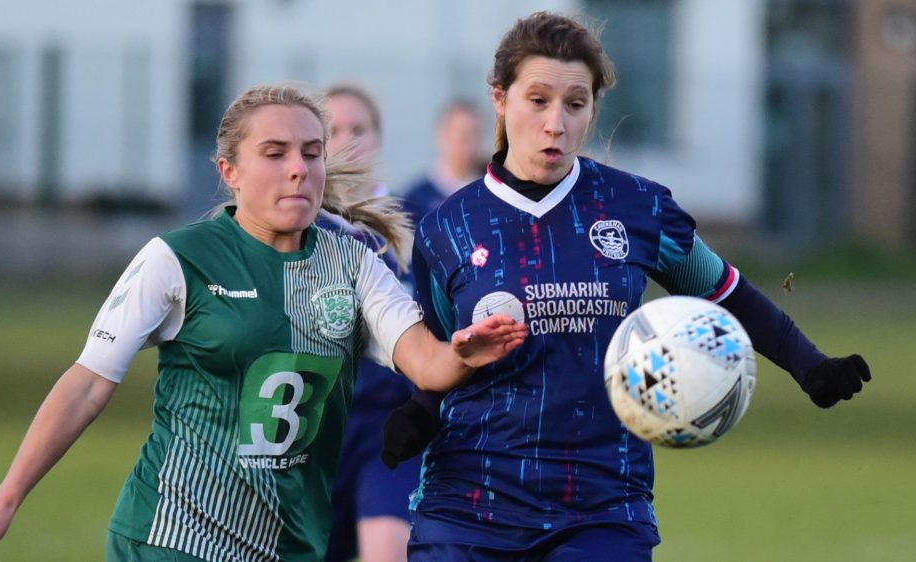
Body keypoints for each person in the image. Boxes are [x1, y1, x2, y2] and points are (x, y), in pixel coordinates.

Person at [0, 84, 528, 562]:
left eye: (311, 151)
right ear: (231, 171)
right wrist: (6, 499)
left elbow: (425, 361)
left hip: (290, 544)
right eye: (275, 154)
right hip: (171, 537)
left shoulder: (354, 265)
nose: (298, 169)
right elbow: (88, 383)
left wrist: (463, 353)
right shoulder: (177, 258)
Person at [381, 12, 872, 561]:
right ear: (500, 99)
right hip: (467, 507)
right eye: (537, 100)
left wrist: (810, 366)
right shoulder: (447, 226)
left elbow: (725, 291)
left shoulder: (636, 207)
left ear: (593, 107)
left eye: (575, 104)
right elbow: (445, 355)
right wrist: (420, 411)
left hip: (601, 506)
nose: (555, 123)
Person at [317, 84, 422, 562]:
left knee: (387, 552)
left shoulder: (413, 225)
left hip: (392, 427)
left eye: (358, 128)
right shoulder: (301, 232)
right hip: (314, 430)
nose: (347, 141)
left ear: (377, 138)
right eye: (332, 130)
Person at [401, 100, 486, 223]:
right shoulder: (416, 199)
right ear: (442, 136)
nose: (470, 143)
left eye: (476, 135)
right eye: (463, 135)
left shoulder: (492, 192)